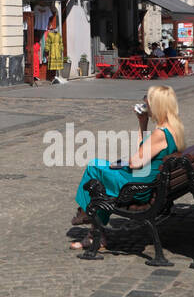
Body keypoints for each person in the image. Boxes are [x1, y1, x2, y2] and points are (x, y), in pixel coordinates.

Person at [69, 85, 187, 249]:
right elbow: (144, 154)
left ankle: (86, 213)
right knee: (101, 171)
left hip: (138, 187)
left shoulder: (160, 134)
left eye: (149, 100)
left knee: (93, 168)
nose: (146, 104)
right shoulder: (175, 128)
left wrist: (127, 161)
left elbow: (135, 162)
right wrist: (143, 122)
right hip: (149, 181)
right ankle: (94, 232)